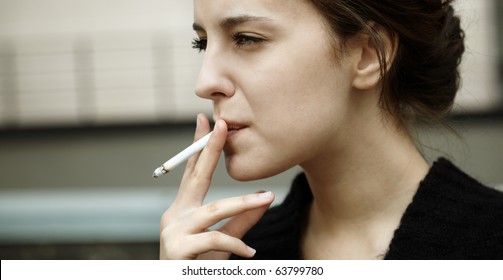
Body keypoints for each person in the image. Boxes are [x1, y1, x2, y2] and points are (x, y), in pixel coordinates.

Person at [159, 0, 503, 259]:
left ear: (369, 54)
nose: (204, 83)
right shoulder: (231, 257)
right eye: (202, 43)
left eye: (246, 38)